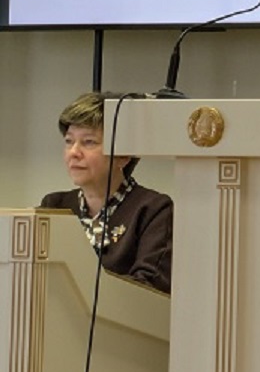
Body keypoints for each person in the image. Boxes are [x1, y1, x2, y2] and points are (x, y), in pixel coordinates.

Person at [40, 91, 173, 294]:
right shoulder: (54, 206)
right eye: (69, 141)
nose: (74, 152)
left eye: (88, 142)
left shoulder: (153, 210)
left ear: (123, 155)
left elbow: (149, 290)